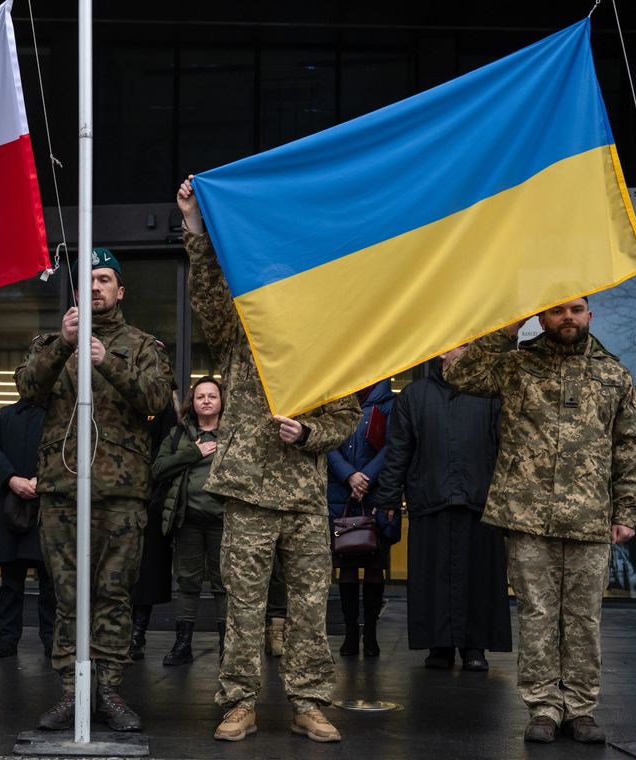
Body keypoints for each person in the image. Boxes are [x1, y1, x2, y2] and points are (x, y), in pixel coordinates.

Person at [178, 176, 360, 744]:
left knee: (308, 610)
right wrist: (193, 225)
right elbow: (208, 290)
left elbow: (346, 419)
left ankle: (308, 704)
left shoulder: (329, 351)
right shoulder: (241, 334)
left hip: (304, 499)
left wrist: (308, 432)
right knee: (244, 609)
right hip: (249, 494)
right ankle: (239, 704)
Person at [444, 298, 636, 744]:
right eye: (557, 310)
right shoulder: (516, 366)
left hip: (589, 517)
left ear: (590, 316)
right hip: (527, 516)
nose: (568, 318)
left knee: (583, 618)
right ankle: (543, 707)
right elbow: (460, 374)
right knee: (537, 614)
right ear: (541, 317)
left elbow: (630, 445)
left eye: (576, 309)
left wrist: (627, 511)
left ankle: (580, 708)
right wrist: (507, 326)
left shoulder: (614, 375)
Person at [16, 247, 174, 732]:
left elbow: (155, 401)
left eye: (105, 279)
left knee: (113, 594)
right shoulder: (50, 342)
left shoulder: (143, 345)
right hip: (64, 491)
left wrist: (108, 362)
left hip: (121, 493)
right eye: (90, 280)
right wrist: (63, 346)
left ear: (120, 290)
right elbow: (27, 390)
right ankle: (71, 691)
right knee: (67, 595)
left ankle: (108, 689)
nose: (97, 287)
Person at [374, 347, 512, 671]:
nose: (460, 352)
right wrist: (388, 499)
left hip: (480, 499)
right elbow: (398, 450)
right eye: (455, 346)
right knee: (430, 578)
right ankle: (438, 646)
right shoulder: (413, 394)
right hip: (429, 496)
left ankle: (474, 648)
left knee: (480, 578)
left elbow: (507, 447)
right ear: (440, 354)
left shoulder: (490, 392)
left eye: (467, 346)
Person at [151, 375, 227, 666]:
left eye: (212, 396)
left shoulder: (232, 435)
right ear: (192, 403)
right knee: (188, 583)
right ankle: (183, 644)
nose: (206, 400)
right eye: (200, 396)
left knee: (224, 584)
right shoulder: (179, 435)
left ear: (221, 402)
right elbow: (158, 469)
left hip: (223, 521)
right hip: (188, 520)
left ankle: (225, 645)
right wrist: (193, 452)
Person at [326, 380, 399, 658]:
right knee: (344, 564)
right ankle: (349, 632)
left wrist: (365, 477)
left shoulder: (388, 403)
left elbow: (394, 445)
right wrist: (349, 474)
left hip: (376, 494)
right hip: (340, 494)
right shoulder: (335, 398)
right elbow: (327, 443)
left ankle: (370, 632)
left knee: (374, 565)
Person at [0, 396, 55, 658]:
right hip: (10, 505)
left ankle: (52, 638)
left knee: (51, 581)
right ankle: (7, 639)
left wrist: (42, 479)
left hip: (47, 506)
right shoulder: (2, 417)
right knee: (11, 582)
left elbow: (66, 453)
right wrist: (12, 480)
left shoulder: (59, 416)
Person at [129, 396, 179, 662]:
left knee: (146, 570)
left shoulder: (162, 409)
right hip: (118, 495)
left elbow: (164, 456)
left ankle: (137, 634)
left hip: (150, 499)